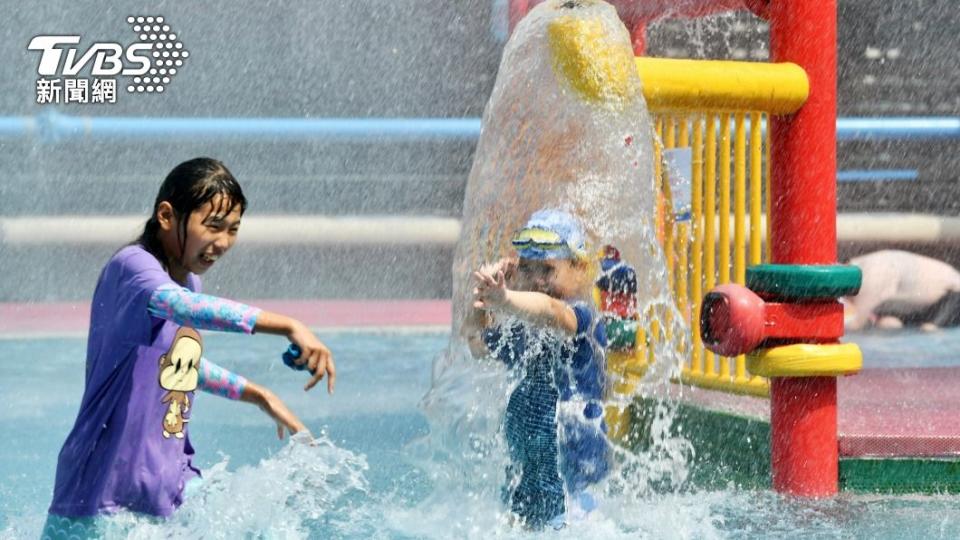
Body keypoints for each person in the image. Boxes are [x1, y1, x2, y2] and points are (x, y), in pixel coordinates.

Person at [42, 158, 336, 537]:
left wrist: (259, 396)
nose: (223, 242)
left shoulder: (189, 280)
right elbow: (184, 308)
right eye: (212, 226)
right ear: (167, 216)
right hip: (97, 496)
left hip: (168, 487)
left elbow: (177, 367)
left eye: (232, 230)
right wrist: (288, 325)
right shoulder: (132, 268)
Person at [462, 208, 609, 530]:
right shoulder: (524, 333)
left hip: (574, 479)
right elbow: (475, 344)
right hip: (526, 477)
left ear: (579, 268)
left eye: (548, 268)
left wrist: (506, 299)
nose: (538, 280)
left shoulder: (584, 316)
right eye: (528, 269)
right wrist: (482, 297)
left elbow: (554, 313)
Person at [844, 249, 960, 331]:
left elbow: (856, 324)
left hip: (952, 295)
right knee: (889, 324)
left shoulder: (872, 272)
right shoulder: (873, 270)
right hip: (925, 303)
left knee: (927, 329)